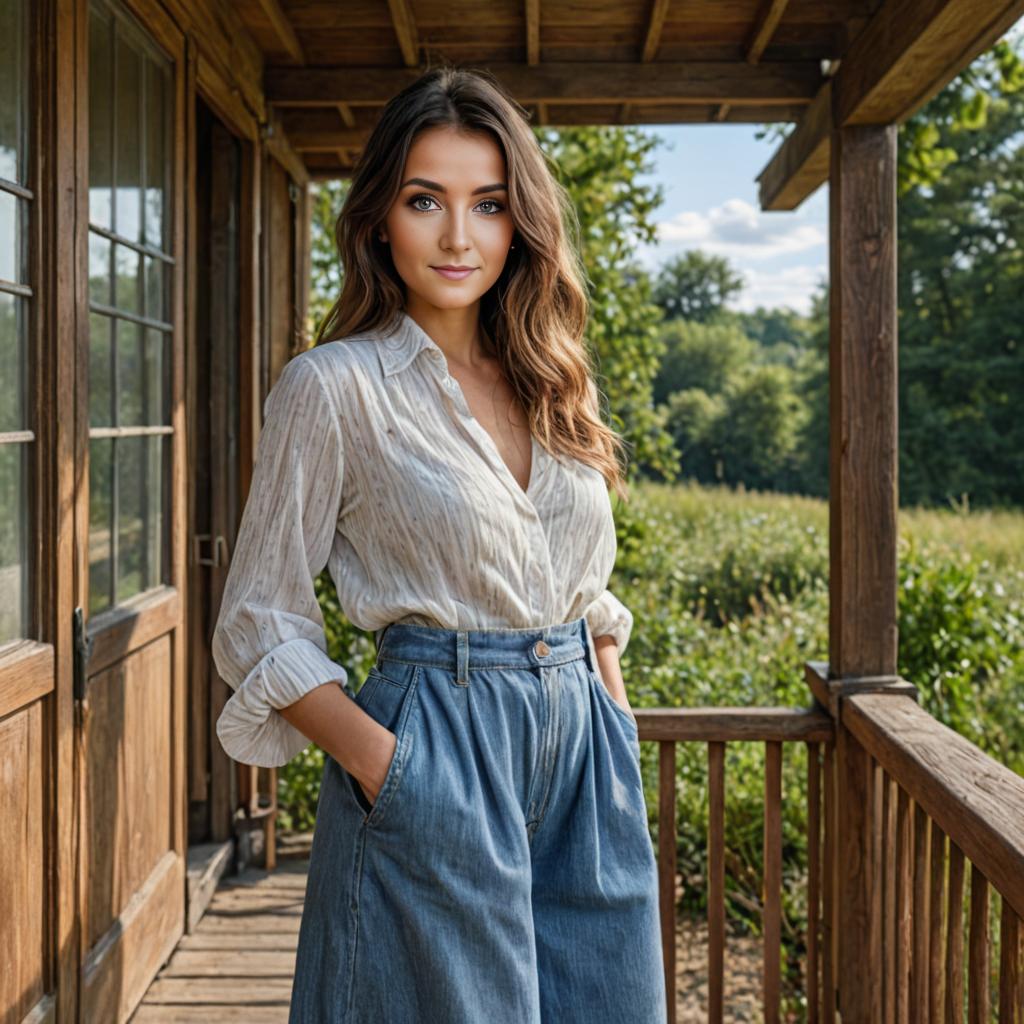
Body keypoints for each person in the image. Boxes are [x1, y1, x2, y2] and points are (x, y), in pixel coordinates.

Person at [211, 63, 667, 1024]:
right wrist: (393, 770)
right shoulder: (334, 388)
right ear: (381, 215)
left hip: (584, 753)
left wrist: (612, 723)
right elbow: (258, 620)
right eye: (427, 200)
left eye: (489, 203)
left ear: (520, 222)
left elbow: (588, 595)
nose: (459, 236)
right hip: (436, 742)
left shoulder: (551, 381)